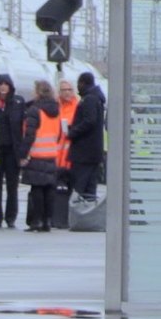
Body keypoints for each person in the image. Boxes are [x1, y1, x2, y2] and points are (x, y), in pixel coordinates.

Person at [19, 80, 62, 232]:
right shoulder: (56, 110)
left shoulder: (34, 110)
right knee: (49, 189)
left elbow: (29, 135)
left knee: (37, 188)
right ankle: (47, 221)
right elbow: (60, 133)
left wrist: (23, 154)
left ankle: (36, 220)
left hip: (37, 153)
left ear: (37, 92)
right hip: (51, 153)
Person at [0, 74, 25, 228]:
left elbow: (23, 125)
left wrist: (23, 152)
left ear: (10, 86)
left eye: (6, 84)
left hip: (12, 151)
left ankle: (11, 217)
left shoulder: (18, 102)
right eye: (0, 84)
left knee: (12, 186)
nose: (3, 87)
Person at [67, 72, 106, 199]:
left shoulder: (89, 99)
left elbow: (89, 121)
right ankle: (89, 216)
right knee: (90, 190)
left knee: (80, 188)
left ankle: (79, 217)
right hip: (93, 153)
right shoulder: (96, 98)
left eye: (79, 84)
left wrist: (72, 132)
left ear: (83, 83)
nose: (78, 87)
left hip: (84, 152)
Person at [54, 79, 79, 227]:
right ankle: (59, 218)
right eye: (64, 90)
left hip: (72, 155)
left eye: (69, 89)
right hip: (57, 156)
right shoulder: (56, 107)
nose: (67, 92)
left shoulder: (78, 106)